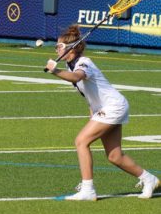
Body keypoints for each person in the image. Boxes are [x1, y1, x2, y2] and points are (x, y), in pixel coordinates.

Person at [45, 25, 159, 201]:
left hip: (113, 107)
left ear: (71, 48)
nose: (56, 49)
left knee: (81, 141)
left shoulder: (84, 63)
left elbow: (78, 77)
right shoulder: (71, 67)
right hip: (107, 108)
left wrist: (55, 71)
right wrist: (93, 113)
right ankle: (149, 179)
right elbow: (90, 94)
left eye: (59, 46)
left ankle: (88, 189)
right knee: (114, 156)